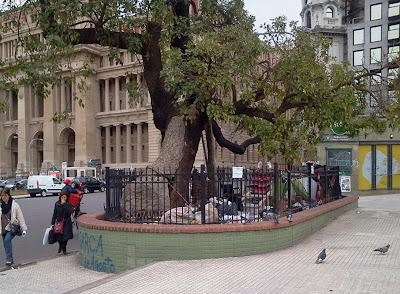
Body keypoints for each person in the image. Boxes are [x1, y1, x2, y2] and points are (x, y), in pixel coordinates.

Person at [0, 187, 27, 266]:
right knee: (5, 244)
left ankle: (8, 260)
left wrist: (24, 229)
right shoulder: (0, 205)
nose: (3, 197)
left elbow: (20, 217)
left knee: (7, 240)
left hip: (11, 228)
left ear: (8, 195)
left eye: (5, 195)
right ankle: (10, 260)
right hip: (3, 228)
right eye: (2, 196)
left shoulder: (14, 205)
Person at [51, 190, 73, 255]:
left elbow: (69, 211)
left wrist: (64, 205)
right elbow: (55, 213)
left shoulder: (68, 204)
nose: (63, 199)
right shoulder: (57, 204)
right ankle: (60, 245)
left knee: (65, 237)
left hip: (66, 221)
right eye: (62, 197)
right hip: (59, 221)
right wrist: (53, 222)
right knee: (58, 236)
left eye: (65, 197)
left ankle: (64, 249)